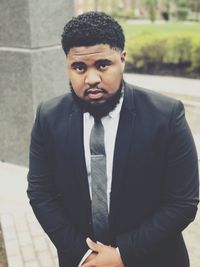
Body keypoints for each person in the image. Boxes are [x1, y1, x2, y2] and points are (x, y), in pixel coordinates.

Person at [27, 11, 199, 267]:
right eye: (79, 67)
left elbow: (182, 202)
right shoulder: (48, 117)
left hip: (155, 258)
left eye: (103, 65)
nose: (92, 78)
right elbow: (41, 193)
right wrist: (84, 255)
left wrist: (122, 255)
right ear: (68, 65)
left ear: (122, 59)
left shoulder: (166, 115)